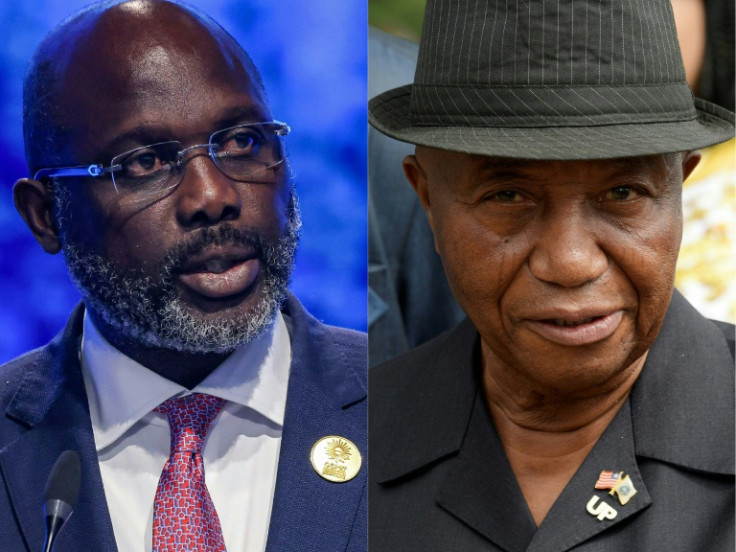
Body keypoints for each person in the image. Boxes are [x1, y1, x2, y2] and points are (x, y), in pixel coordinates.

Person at [369, 0, 734, 550]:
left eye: (623, 194)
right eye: (508, 196)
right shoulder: (342, 444)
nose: (570, 263)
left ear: (679, 188)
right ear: (427, 199)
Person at [0, 1, 366, 551]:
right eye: (145, 162)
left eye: (243, 141)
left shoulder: (400, 407)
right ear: (46, 216)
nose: (213, 196)